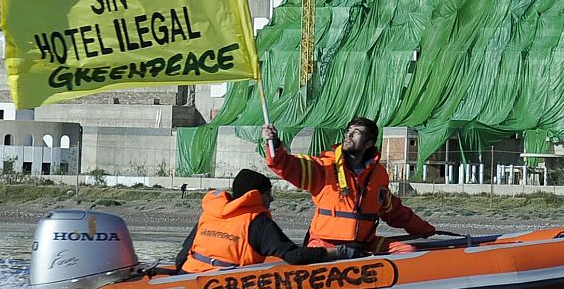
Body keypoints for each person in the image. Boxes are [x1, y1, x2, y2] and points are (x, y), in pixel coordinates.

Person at [262, 116, 435, 256]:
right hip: (325, 245)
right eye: (348, 131)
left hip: (363, 245)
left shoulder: (378, 175)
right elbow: (287, 165)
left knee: (408, 252)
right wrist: (275, 145)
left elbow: (395, 211)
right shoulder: (324, 167)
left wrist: (425, 229)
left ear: (369, 143)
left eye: (356, 132)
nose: (349, 135)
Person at [176, 168, 351, 273]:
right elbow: (295, 256)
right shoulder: (258, 223)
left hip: (189, 274)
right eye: (268, 193)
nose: (271, 199)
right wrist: (341, 252)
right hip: (224, 288)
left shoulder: (210, 214)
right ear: (256, 196)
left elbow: (181, 257)